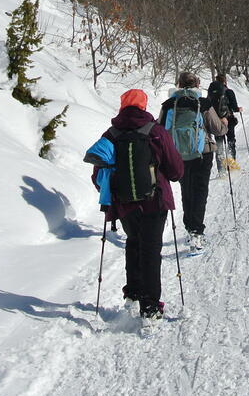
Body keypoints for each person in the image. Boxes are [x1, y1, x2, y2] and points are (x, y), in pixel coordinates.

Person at [93, 88, 183, 321]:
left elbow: (97, 176)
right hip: (155, 202)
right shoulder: (156, 132)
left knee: (133, 243)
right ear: (144, 106)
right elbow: (175, 171)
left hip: (124, 204)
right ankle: (150, 306)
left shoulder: (110, 134)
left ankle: (132, 294)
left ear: (122, 106)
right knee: (151, 251)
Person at [160, 72, 228, 251]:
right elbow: (218, 130)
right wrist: (225, 122)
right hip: (202, 154)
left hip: (178, 154)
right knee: (200, 191)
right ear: (197, 84)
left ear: (179, 84)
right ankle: (196, 232)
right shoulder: (203, 103)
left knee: (186, 190)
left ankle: (189, 227)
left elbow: (159, 131)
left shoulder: (168, 105)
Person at [206, 73, 242, 167]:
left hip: (216, 121)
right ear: (225, 81)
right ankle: (232, 165)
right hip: (228, 120)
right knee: (230, 141)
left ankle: (221, 169)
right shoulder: (229, 91)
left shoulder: (211, 93)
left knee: (219, 144)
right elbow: (234, 107)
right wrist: (239, 109)